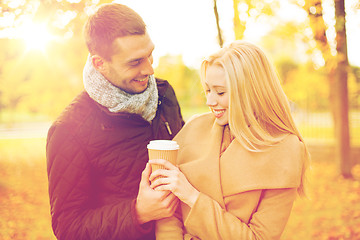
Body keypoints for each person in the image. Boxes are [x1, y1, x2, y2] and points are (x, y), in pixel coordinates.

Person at [46, 3, 184, 240]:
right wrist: (137, 213)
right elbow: (68, 228)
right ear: (100, 63)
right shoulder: (69, 129)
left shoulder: (164, 93)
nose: (150, 69)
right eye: (135, 62)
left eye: (150, 53)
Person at [149, 40, 310, 239]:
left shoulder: (285, 149)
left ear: (251, 91)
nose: (210, 101)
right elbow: (167, 207)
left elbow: (258, 237)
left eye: (221, 92)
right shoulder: (194, 128)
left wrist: (192, 196)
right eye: (208, 90)